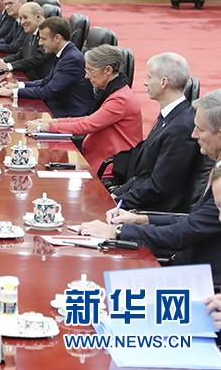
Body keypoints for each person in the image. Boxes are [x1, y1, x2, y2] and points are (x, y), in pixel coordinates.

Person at [80, 89, 221, 284]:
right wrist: (139, 219)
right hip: (184, 265)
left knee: (99, 279)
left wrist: (117, 232)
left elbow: (183, 234)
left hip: (199, 280)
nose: (193, 134)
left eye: (200, 130)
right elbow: (194, 220)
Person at [110, 53, 209, 213]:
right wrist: (115, 195)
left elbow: (158, 188)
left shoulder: (181, 127)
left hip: (154, 212)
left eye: (149, 77)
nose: (145, 82)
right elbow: (143, 176)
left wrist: (116, 202)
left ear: (163, 82)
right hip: (140, 199)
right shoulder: (170, 116)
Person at [25, 45, 142, 170]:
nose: (86, 76)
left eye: (90, 71)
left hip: (110, 166)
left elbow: (86, 125)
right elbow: (89, 119)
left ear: (108, 70)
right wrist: (52, 121)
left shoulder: (120, 99)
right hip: (98, 155)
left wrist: (43, 127)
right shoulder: (114, 91)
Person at [0, 17, 94, 118]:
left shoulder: (72, 59)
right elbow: (46, 81)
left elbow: (48, 91)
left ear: (57, 38)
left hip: (70, 114)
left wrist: (12, 92)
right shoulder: (64, 53)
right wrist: (17, 86)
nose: (40, 43)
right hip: (57, 108)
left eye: (43, 39)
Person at [0, 2, 54, 81]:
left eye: (25, 17)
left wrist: (8, 66)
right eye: (20, 19)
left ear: (38, 16)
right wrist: (0, 61)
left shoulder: (48, 35)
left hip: (38, 82)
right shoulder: (32, 31)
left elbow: (36, 59)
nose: (22, 22)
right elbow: (20, 54)